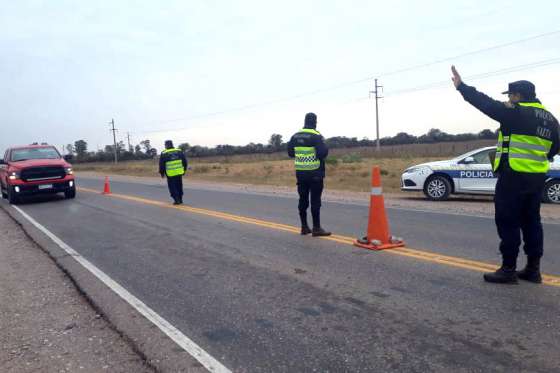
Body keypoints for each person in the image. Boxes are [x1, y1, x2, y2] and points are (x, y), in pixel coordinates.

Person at [452, 65, 559, 284]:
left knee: (507, 220)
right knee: (532, 221)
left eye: (510, 95)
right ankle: (533, 269)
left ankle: (508, 269)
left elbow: (486, 104)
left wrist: (462, 87)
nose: (509, 98)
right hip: (538, 177)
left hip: (513, 175)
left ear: (518, 95)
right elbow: (555, 148)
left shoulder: (516, 112)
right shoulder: (551, 119)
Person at [287, 113, 331, 237]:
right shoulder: (317, 136)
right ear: (315, 122)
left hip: (301, 173)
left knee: (303, 200)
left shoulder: (295, 136)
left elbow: (290, 153)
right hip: (315, 173)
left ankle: (304, 227)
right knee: (315, 200)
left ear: (305, 121)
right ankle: (316, 228)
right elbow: (322, 154)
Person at [159, 140, 188, 205]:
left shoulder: (164, 153)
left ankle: (176, 200)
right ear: (172, 144)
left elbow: (161, 164)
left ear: (166, 145)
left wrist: (162, 173)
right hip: (179, 172)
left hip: (170, 173)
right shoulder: (179, 151)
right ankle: (180, 199)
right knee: (179, 186)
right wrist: (184, 170)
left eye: (165, 145)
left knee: (172, 187)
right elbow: (184, 161)